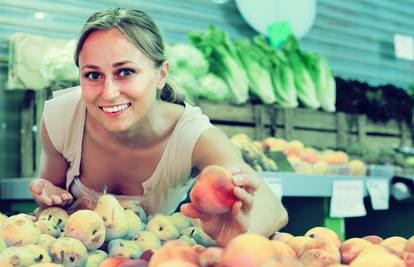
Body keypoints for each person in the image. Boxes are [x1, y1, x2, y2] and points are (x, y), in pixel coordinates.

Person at [29, 7, 288, 246]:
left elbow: (273, 209)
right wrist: (48, 194)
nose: (108, 93)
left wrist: (243, 231)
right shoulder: (61, 118)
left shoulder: (193, 136)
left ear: (161, 74)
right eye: (93, 75)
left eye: (126, 72)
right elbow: (52, 207)